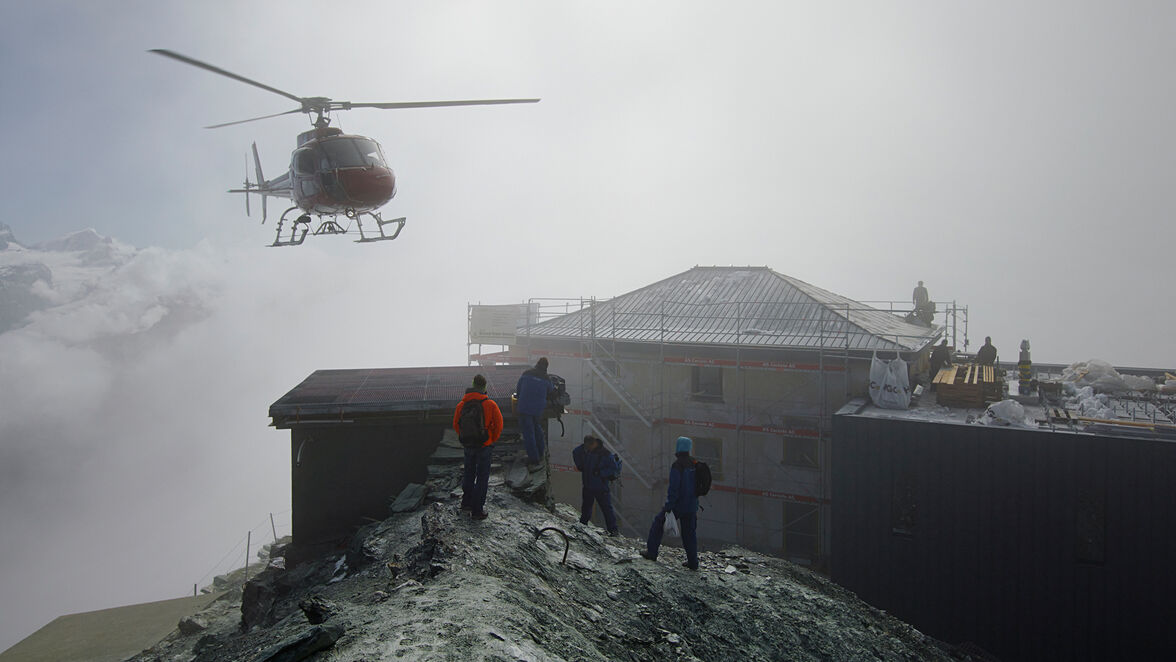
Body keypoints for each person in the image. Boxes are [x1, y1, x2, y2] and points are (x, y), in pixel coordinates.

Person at [640, 436, 700, 570]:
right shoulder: (695, 464)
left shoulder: (677, 465)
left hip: (678, 505)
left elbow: (674, 488)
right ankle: (693, 562)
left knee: (657, 524)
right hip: (692, 505)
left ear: (679, 447)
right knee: (689, 534)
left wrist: (668, 506)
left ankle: (651, 553)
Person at [453, 374, 503, 520]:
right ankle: (477, 510)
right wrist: (490, 439)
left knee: (469, 473)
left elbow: (456, 424)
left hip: (468, 445)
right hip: (484, 445)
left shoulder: (462, 405)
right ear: (485, 387)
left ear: (473, 385)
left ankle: (466, 503)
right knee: (482, 477)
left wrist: (466, 438)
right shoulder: (490, 404)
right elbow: (499, 425)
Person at [573, 435, 620, 536]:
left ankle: (613, 530)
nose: (587, 449)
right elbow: (575, 452)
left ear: (593, 444)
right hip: (588, 486)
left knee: (606, 509)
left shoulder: (606, 454)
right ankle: (583, 525)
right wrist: (580, 464)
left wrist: (600, 473)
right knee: (586, 507)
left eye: (588, 446)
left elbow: (614, 469)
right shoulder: (586, 451)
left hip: (601, 487)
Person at [515, 357, 555, 468]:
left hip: (524, 407)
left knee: (528, 433)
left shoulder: (527, 373)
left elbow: (518, 390)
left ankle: (533, 459)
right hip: (538, 409)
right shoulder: (546, 378)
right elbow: (551, 391)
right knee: (537, 429)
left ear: (537, 363)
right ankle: (540, 453)